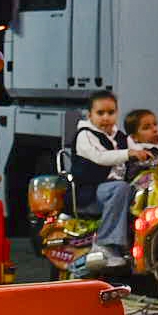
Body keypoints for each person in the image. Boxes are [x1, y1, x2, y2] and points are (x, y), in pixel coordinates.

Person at [88, 108, 158, 271]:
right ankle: (109, 243)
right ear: (134, 137)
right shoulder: (136, 150)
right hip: (139, 187)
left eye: (155, 124)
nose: (154, 129)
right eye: (147, 127)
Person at [63, 91, 126, 219]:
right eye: (100, 113)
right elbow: (101, 157)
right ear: (90, 115)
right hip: (89, 193)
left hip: (109, 188)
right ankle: (107, 237)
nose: (106, 117)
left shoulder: (118, 135)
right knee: (120, 189)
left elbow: (136, 146)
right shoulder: (85, 135)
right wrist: (129, 153)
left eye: (111, 112)